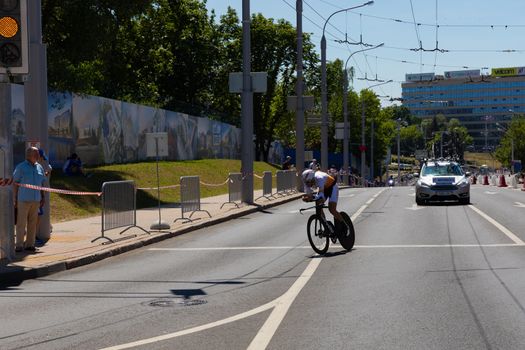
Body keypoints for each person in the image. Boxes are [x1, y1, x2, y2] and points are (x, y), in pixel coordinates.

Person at [13, 147, 46, 253]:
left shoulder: (39, 167)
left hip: (36, 200)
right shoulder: (20, 167)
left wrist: (43, 197)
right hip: (23, 199)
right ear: (28, 155)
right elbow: (15, 183)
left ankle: (30, 244)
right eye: (35, 153)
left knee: (33, 223)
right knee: (21, 223)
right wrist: (15, 198)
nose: (37, 156)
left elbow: (41, 184)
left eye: (37, 154)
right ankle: (19, 245)